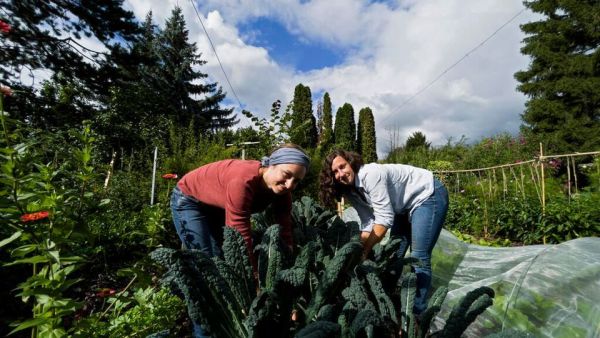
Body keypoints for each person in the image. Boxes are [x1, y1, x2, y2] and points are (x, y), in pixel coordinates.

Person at [319, 149, 448, 315]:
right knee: (395, 252)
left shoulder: (371, 174)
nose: (340, 174)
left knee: (419, 256)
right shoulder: (350, 190)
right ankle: (388, 298)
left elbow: (384, 219)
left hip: (427, 195)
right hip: (401, 206)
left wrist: (365, 250)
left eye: (342, 167)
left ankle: (417, 312)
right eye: (335, 172)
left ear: (350, 162)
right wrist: (357, 249)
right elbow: (368, 222)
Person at [171, 143, 310, 265]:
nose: (289, 184)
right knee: (204, 257)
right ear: (271, 165)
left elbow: (284, 224)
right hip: (190, 199)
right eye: (286, 174)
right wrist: (252, 278)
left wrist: (289, 254)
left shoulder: (283, 192)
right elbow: (239, 235)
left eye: (296, 180)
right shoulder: (243, 181)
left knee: (220, 255)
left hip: (217, 207)